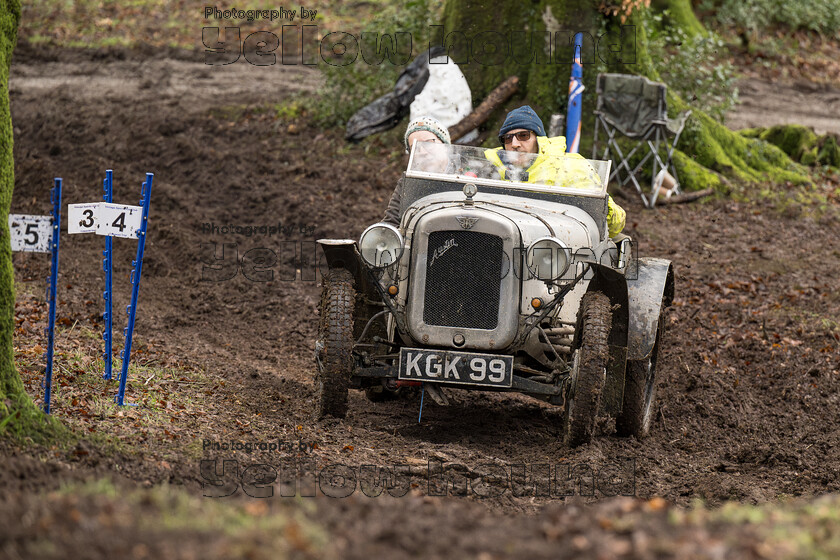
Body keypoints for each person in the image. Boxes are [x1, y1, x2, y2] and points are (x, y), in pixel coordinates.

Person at [484, 106, 626, 238]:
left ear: (538, 139)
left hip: (561, 247)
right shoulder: (490, 170)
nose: (514, 144)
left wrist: (601, 206)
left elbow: (614, 226)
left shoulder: (572, 166)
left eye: (523, 135)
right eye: (507, 138)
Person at [382, 116, 451, 226]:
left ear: (445, 145)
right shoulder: (409, 183)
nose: (422, 151)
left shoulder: (468, 175)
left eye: (428, 143)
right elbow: (392, 222)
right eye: (415, 147)